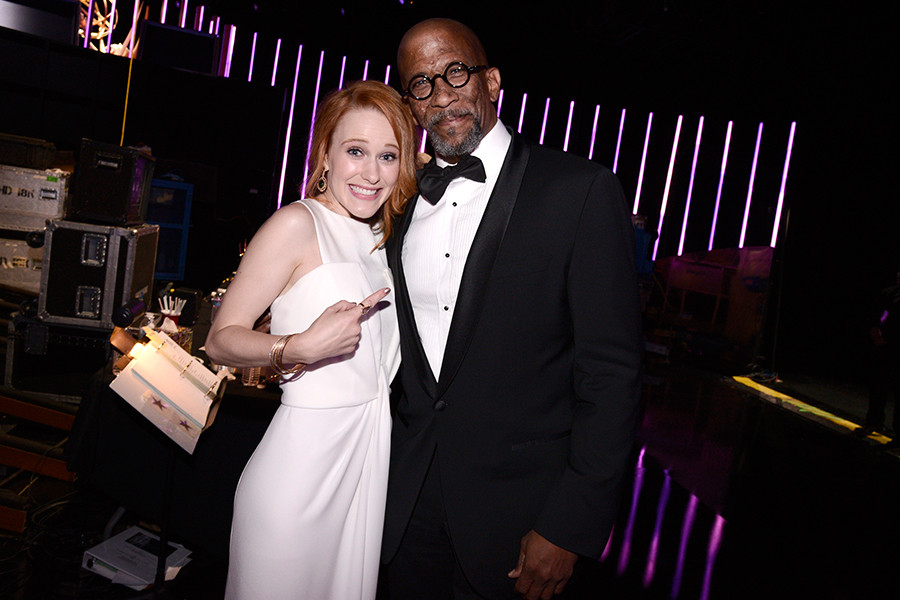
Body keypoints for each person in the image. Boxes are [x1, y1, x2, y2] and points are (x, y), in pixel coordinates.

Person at [381, 18, 644, 600]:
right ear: (409, 104)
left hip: (520, 516)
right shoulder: (398, 200)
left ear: (492, 80)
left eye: (455, 72)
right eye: (420, 83)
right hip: (404, 508)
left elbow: (612, 375)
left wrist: (568, 525)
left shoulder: (580, 190)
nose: (441, 93)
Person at [204, 80, 417, 600]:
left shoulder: (378, 240)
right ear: (325, 155)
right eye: (355, 151)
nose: (371, 173)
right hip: (299, 478)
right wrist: (294, 348)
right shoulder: (297, 224)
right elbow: (220, 340)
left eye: (388, 156)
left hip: (363, 465)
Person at [858, 269, 900, 443]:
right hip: (883, 346)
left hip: (897, 346)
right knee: (878, 385)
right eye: (898, 276)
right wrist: (875, 332)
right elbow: (875, 315)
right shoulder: (889, 293)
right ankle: (874, 421)